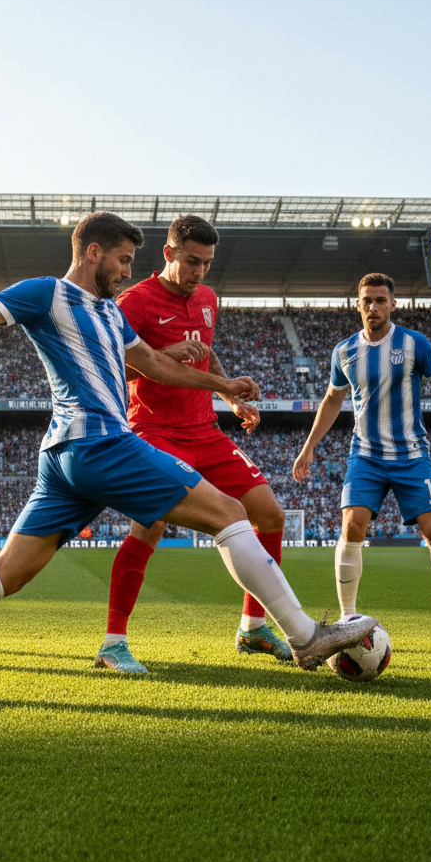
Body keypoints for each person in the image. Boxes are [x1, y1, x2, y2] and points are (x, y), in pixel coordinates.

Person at [0, 212, 377, 692]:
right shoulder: (47, 294)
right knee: (231, 514)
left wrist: (223, 387)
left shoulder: (112, 315)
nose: (127, 270)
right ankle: (305, 637)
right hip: (99, 442)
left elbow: (156, 366)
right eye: (121, 259)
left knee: (6, 573)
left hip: (62, 459)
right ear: (93, 253)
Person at [94, 215, 290, 674]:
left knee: (270, 515)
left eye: (206, 264)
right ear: (168, 254)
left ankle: (252, 626)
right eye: (191, 261)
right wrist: (160, 360)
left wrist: (229, 396)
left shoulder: (206, 298)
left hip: (206, 431)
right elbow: (108, 370)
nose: (199, 272)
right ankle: (113, 643)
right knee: (150, 526)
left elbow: (207, 350)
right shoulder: (135, 301)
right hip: (155, 432)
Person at [292, 272, 431, 637]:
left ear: (393, 304)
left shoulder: (414, 343)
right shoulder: (344, 351)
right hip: (365, 456)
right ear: (357, 304)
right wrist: (309, 446)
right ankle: (348, 618)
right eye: (367, 301)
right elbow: (332, 400)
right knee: (352, 524)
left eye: (380, 300)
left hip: (411, 454)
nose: (373, 307)